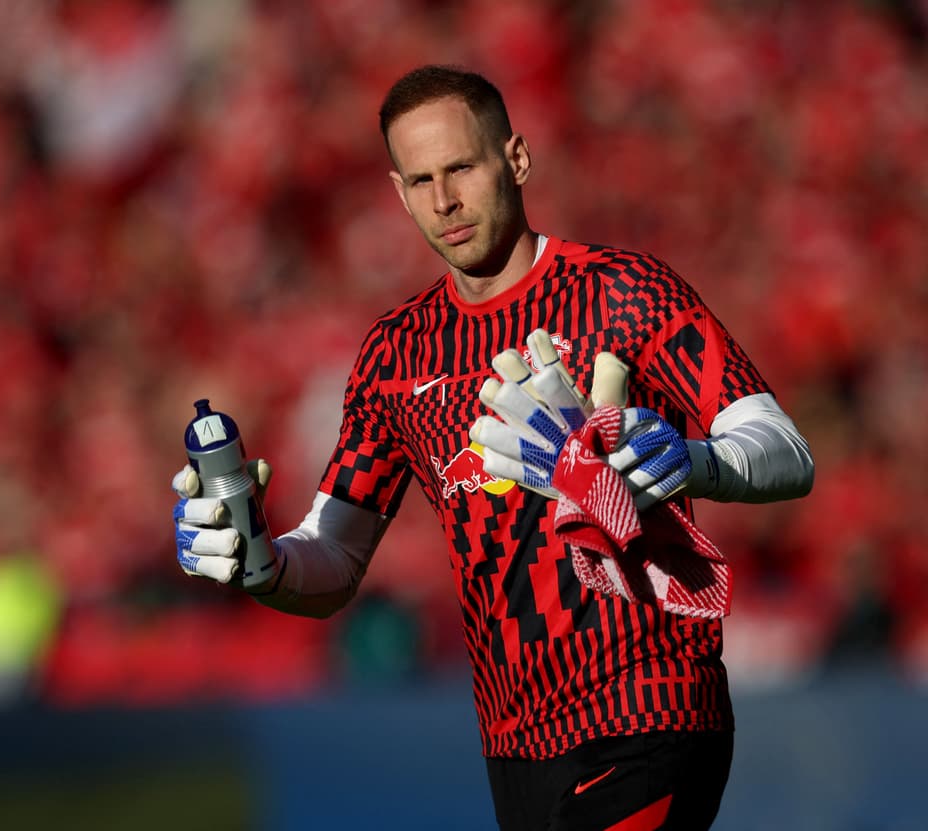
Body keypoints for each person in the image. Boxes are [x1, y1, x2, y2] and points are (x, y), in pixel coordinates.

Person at [171, 65, 814, 830]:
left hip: (653, 706)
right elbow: (336, 555)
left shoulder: (624, 292)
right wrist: (264, 565)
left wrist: (694, 457)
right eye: (419, 181)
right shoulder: (394, 353)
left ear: (515, 159)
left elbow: (784, 448)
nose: (442, 201)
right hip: (516, 743)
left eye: (460, 169)